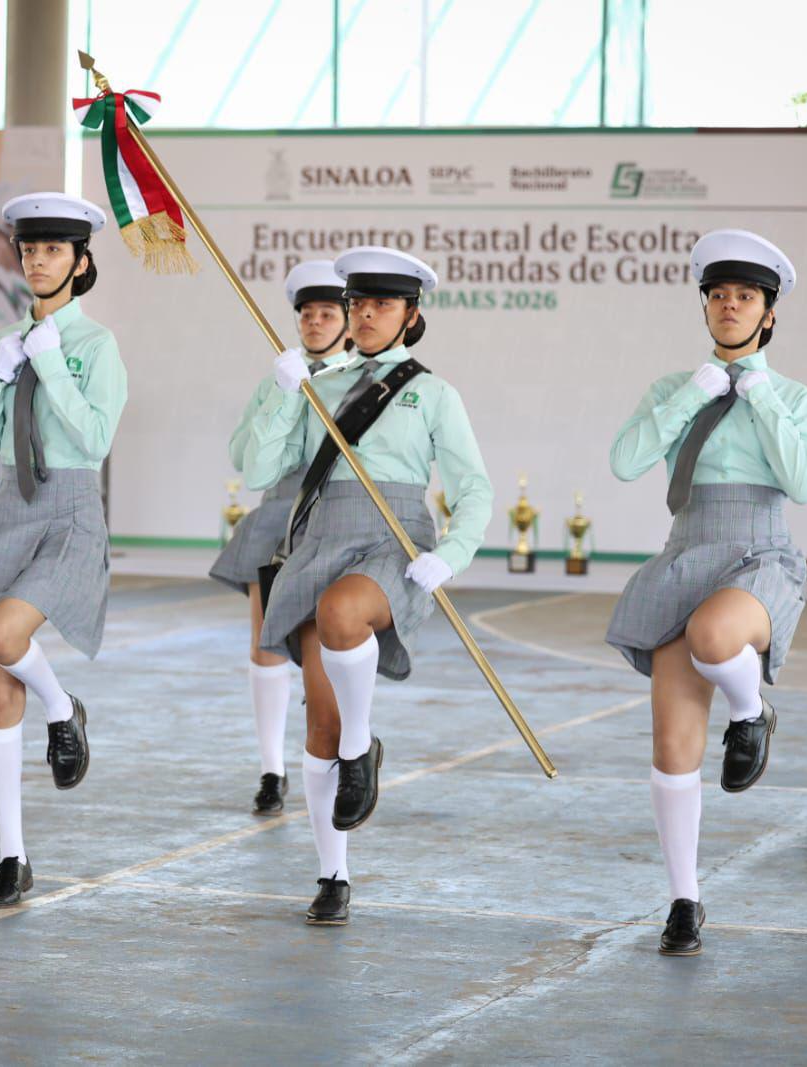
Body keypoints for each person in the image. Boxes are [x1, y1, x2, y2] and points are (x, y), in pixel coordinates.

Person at [244, 245, 493, 926]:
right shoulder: (319, 386)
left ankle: (362, 743)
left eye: (382, 304)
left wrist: (457, 552)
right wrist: (280, 391)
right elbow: (257, 465)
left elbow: (474, 488)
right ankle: (334, 873)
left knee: (342, 612)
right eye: (357, 303)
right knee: (317, 721)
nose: (365, 314)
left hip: (394, 540)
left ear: (412, 314)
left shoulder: (435, 393)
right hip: (321, 536)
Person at [605, 229, 807, 955]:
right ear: (706, 306)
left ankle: (752, 706)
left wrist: (755, 393)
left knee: (713, 636)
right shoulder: (674, 389)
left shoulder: (792, 396)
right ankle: (683, 899)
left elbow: (803, 483)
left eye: (747, 297)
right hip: (687, 548)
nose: (730, 305)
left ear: (768, 314)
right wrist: (694, 393)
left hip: (761, 550)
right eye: (719, 295)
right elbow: (626, 460)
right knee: (672, 745)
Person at [0, 193, 126, 910]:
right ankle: (12, 856)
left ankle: (62, 706)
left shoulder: (96, 347)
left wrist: (54, 366)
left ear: (80, 263)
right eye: (29, 249)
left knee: (3, 631)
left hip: (71, 512)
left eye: (53, 250)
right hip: (14, 507)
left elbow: (95, 440)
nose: (38, 260)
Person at [208, 259, 351, 815]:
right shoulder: (279, 377)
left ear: (344, 319)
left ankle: (337, 749)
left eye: (326, 313)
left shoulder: (360, 378)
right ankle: (272, 768)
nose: (314, 323)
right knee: (266, 644)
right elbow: (247, 458)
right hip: (278, 520)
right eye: (306, 314)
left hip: (334, 520)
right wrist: (281, 393)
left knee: (325, 647)